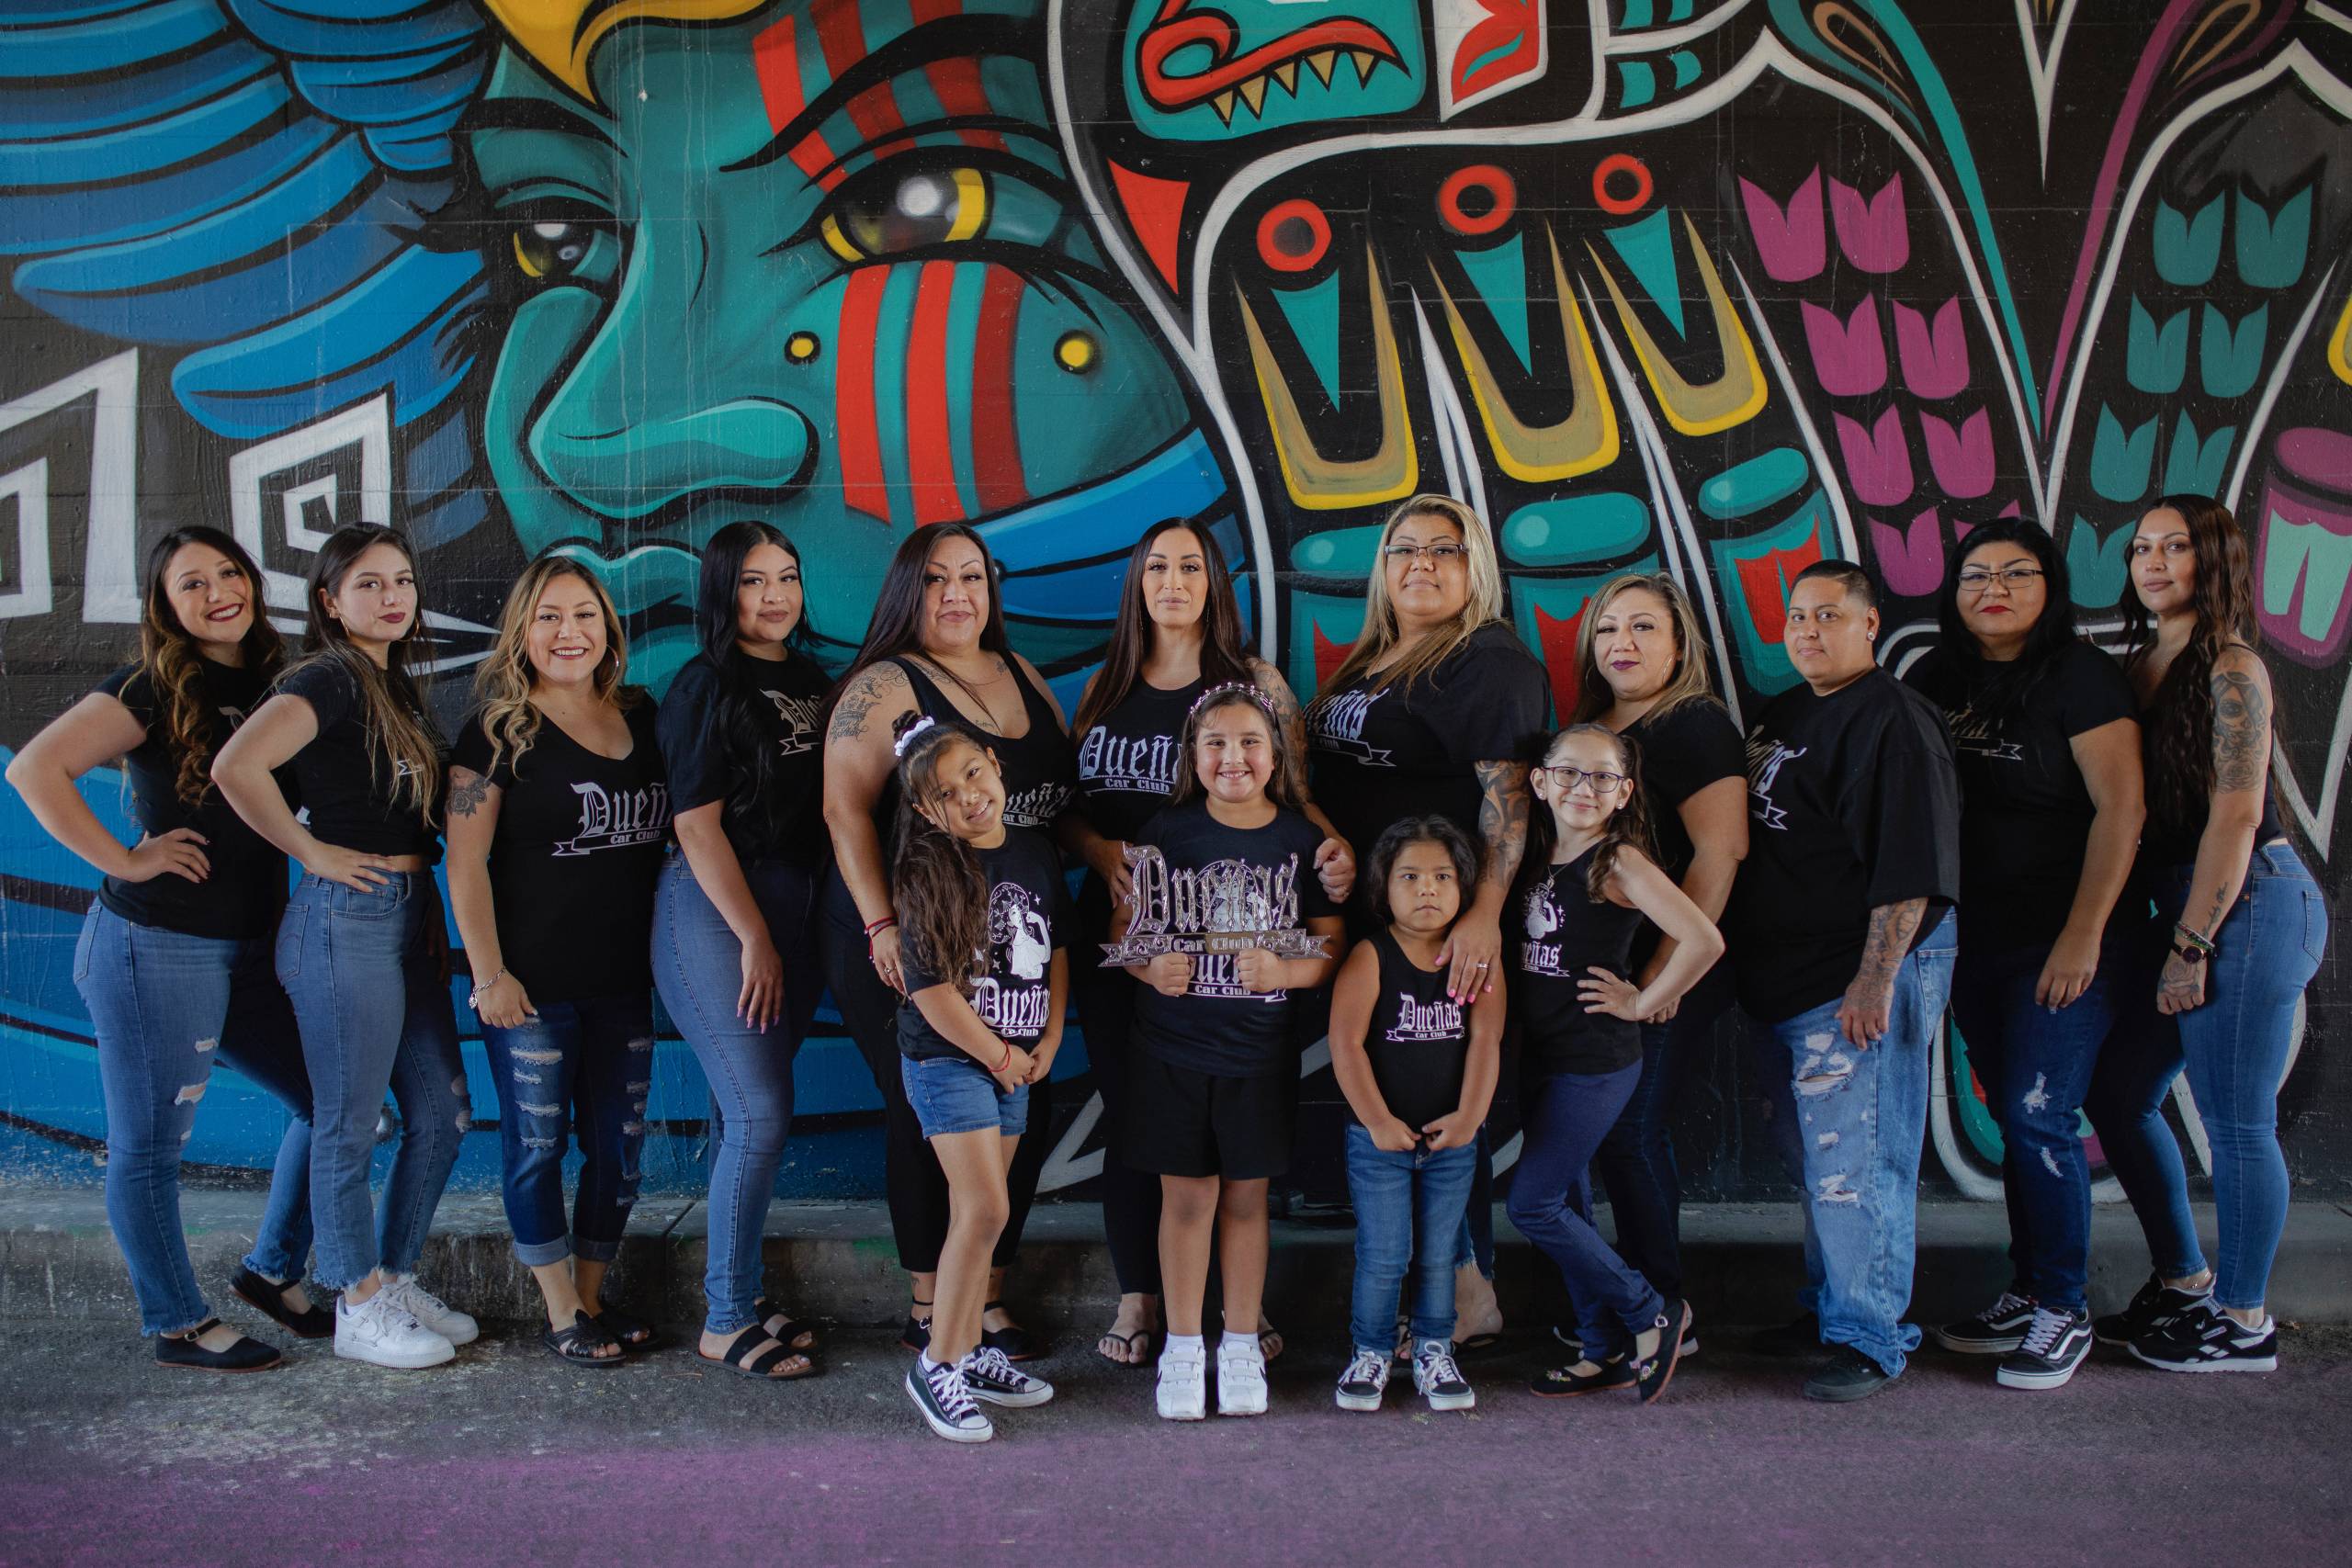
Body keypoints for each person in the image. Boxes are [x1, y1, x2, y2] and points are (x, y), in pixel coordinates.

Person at [7, 526, 319, 1371]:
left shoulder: (278, 682)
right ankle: (178, 1322)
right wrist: (125, 859)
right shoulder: (148, 687)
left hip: (251, 949)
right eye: (192, 583)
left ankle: (272, 1271)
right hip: (157, 946)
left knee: (336, 1102)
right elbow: (34, 769)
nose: (219, 592)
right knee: (150, 1147)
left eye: (229, 572)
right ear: (165, 605)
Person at [1065, 517, 1351, 1367]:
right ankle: (1140, 1295)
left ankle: (1239, 1312)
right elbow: (1071, 809)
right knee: (1135, 1113)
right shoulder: (1105, 683)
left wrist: (1334, 848)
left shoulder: (1252, 682)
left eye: (1191, 566)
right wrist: (1100, 853)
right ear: (1137, 581)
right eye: (1157, 565)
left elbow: (1292, 790)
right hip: (1128, 935)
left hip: (1234, 944)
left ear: (1214, 582)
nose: (1173, 581)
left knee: (1237, 1137)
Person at [211, 525, 474, 1371]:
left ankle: (391, 1279)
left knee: (443, 1113)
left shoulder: (392, 683)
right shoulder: (327, 676)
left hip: (407, 917)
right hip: (345, 920)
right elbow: (237, 765)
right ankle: (356, 1305)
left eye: (403, 580)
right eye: (369, 583)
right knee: (349, 1121)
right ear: (329, 600)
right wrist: (312, 852)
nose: (392, 597)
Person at [2084, 496, 2328, 1373]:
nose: (2153, 562)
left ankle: (2244, 1317)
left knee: (2236, 1122)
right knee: (2118, 1094)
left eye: (2175, 547)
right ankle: (2186, 1281)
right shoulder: (2140, 665)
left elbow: (2237, 816)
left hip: (2247, 907)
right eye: (2142, 548)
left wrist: (2191, 946)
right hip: (2186, 908)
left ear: (2213, 559)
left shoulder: (2230, 667)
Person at [822, 525, 1077, 1360]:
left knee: (1017, 1095)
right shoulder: (886, 682)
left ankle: (985, 1299)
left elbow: (1060, 799)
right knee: (924, 1105)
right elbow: (843, 809)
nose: (958, 593)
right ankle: (930, 1305)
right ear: (909, 590)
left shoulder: (1023, 673)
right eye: (937, 579)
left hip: (1014, 926)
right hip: (912, 933)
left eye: (973, 576)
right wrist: (882, 925)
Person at [1903, 520, 2144, 1390]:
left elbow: (2122, 809)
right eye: (1976, 574)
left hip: (2069, 937)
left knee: (2041, 1113)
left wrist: (2083, 933)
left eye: (2017, 573)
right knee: (2014, 1114)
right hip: (1974, 939)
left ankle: (2064, 1307)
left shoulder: (2082, 677)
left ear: (2051, 587)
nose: (1994, 589)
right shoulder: (1934, 678)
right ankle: (2030, 1285)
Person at [1305, 493, 1549, 1345]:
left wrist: (1483, 915)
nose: (1422, 563)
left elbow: (1508, 801)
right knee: (1397, 1094)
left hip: (1441, 929)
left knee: (1445, 1098)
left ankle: (1469, 1292)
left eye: (1444, 549)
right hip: (1376, 926)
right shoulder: (1375, 656)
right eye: (1404, 548)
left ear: (1475, 566)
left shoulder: (1487, 661)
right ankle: (1442, 1289)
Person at [1726, 558, 1961, 1403]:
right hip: (1791, 977)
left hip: (1857, 972)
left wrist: (1875, 980)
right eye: (1797, 615)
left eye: (1828, 615)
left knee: (1859, 1159)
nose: (1808, 630)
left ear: (1869, 626)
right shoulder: (1788, 709)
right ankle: (1835, 1307)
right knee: (1818, 1158)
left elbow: (1912, 867)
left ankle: (1871, 1333)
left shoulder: (1894, 721)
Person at [445, 557, 670, 1368]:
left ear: (607, 628)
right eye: (548, 616)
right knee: (538, 1147)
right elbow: (463, 863)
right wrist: (489, 976)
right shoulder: (496, 731)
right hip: (530, 991)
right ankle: (560, 1308)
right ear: (522, 632)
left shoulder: (643, 716)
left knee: (620, 1150)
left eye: (583, 615)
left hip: (623, 985)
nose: (568, 632)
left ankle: (592, 1295)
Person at [1120, 683, 1346, 1420]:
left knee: (1247, 1200)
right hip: (1173, 1053)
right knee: (1186, 1199)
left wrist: (1286, 972)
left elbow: (1331, 945)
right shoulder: (1167, 832)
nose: (1233, 757)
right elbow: (1125, 929)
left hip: (1260, 1056)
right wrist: (1148, 966)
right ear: (1193, 755)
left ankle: (1241, 1341)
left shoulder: (1301, 840)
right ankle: (1184, 1346)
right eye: (1215, 742)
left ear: (1275, 754)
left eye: (1250, 741)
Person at [650, 522, 831, 1382]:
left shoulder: (815, 680)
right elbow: (696, 824)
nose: (776, 595)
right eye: (756, 580)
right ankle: (723, 1317)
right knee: (759, 1112)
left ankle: (746, 1292)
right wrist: (755, 933)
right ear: (723, 589)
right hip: (718, 907)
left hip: (798, 906)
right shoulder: (704, 683)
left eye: (788, 576)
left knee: (742, 1117)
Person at [1510, 725, 1721, 1403]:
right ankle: (1598, 1348)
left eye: (1602, 776)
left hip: (1594, 1061)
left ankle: (1650, 1311)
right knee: (1566, 1199)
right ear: (1540, 781)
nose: (1584, 787)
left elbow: (1703, 939)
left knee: (1533, 1204)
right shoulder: (1534, 851)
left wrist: (1642, 1001)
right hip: (1542, 1055)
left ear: (1623, 792)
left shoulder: (1618, 861)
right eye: (1568, 772)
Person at [1570, 573, 1747, 1354]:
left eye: (1644, 627)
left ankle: (1664, 1308)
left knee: (1631, 1131)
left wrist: (1667, 973)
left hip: (1665, 975)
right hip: (1608, 974)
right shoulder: (1591, 729)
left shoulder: (1695, 723)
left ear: (1680, 644)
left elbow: (1722, 850)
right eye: (1609, 628)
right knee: (1610, 1135)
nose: (1623, 643)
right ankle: (1632, 1302)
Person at [889, 715, 1066, 1441]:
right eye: (946, 793)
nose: (968, 795)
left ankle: (967, 1352)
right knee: (984, 1206)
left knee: (986, 1214)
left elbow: (1056, 951)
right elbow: (930, 993)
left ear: (994, 763)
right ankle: (937, 1363)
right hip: (951, 1059)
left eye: (973, 773)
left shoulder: (1034, 852)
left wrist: (1051, 1035)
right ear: (925, 810)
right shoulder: (928, 871)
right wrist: (997, 1056)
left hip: (1016, 1059)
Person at [1327, 818, 1498, 1414]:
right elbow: (1345, 1044)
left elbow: (1485, 1042)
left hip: (1451, 1143)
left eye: (1442, 876)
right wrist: (1377, 1121)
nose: (1427, 887)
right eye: (1410, 876)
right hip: (1379, 1143)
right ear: (1383, 887)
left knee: (1439, 1253)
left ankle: (1432, 1349)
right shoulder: (1370, 957)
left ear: (1464, 887)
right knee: (1384, 1254)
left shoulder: (1478, 959)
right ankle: (1371, 1351)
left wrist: (1470, 1118)